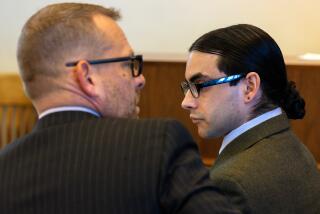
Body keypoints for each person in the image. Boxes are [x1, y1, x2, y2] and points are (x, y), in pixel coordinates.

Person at [0, 3, 239, 214]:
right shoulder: (157, 144)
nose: (140, 79)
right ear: (87, 76)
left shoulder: (5, 169)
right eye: (129, 63)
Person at [181, 24, 320, 213]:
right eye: (187, 87)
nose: (186, 102)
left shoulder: (230, 183)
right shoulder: (295, 147)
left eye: (200, 85)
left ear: (249, 87)